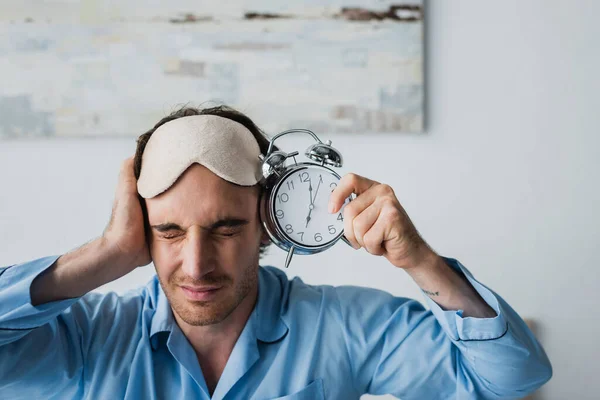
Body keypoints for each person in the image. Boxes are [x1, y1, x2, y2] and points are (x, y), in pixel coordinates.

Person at [0, 105, 552, 400]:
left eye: (225, 227)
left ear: (270, 222)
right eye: (168, 231)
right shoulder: (86, 341)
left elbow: (509, 380)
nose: (196, 265)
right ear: (139, 230)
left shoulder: (342, 326)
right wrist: (101, 256)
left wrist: (420, 261)